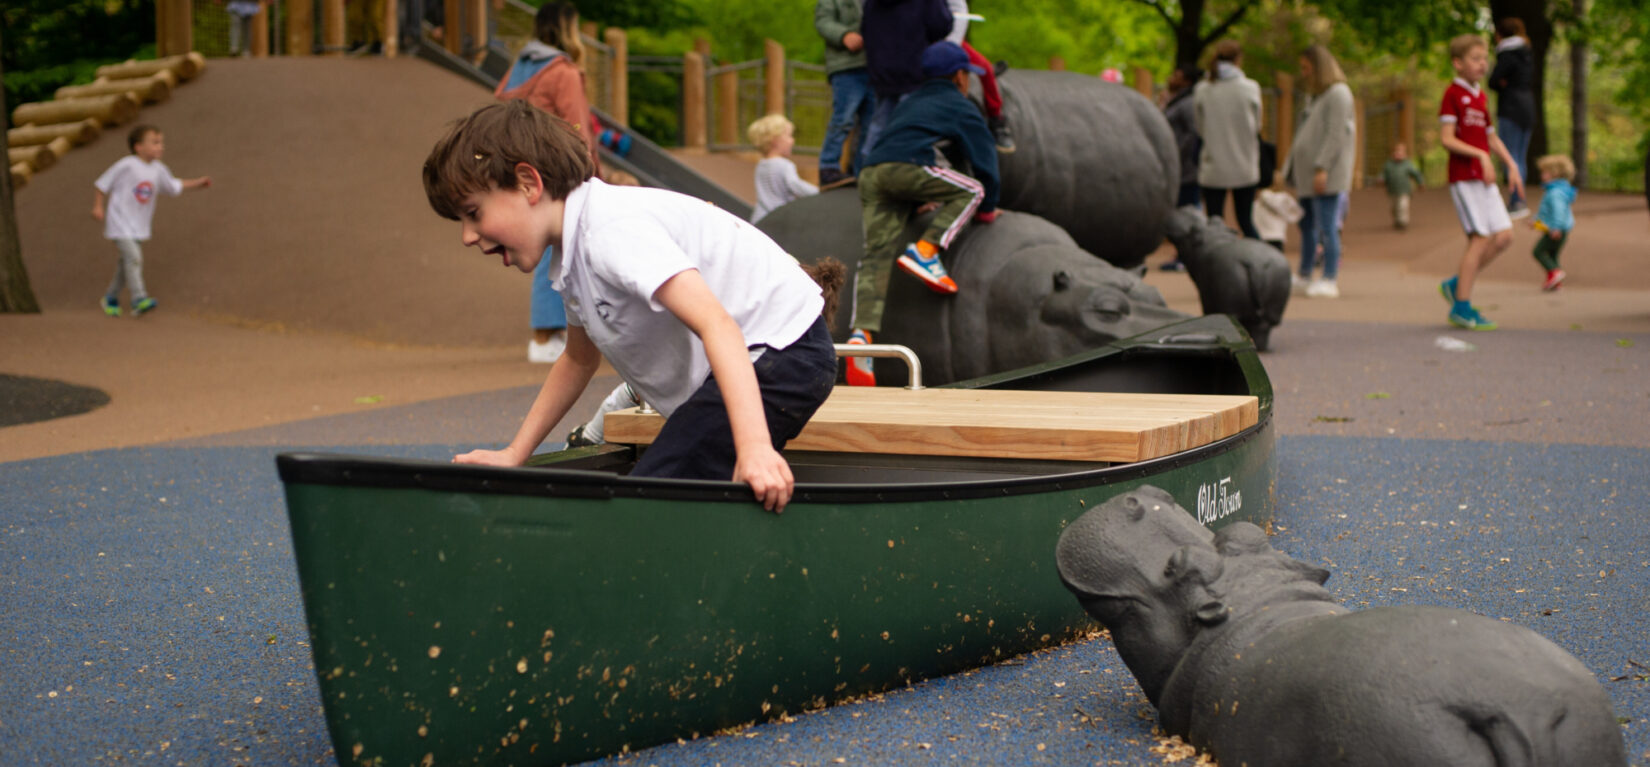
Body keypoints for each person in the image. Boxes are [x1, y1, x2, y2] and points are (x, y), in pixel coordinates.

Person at [423, 100, 834, 512]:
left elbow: (717, 323)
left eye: (474, 214)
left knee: (647, 501)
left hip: (782, 350)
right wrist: (515, 453)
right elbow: (577, 361)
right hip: (761, 355)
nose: (468, 236)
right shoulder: (572, 252)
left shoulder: (609, 232)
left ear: (528, 183)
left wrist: (754, 447)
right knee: (674, 483)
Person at [846, 41, 1000, 387]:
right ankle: (926, 251)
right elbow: (985, 161)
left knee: (876, 256)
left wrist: (916, 201)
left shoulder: (909, 101)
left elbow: (897, 144)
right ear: (960, 76)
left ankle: (861, 340)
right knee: (973, 189)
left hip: (872, 174)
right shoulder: (958, 105)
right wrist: (988, 209)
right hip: (907, 168)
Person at [495, 2, 598, 364]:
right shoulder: (561, 71)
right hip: (559, 172)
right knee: (560, 249)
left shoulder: (520, 67)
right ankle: (551, 335)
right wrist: (591, 173)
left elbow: (499, 109)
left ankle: (545, 334)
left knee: (540, 248)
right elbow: (577, 129)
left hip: (521, 172)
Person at [1437, 33, 1524, 331]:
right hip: (1464, 178)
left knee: (1504, 236)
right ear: (1458, 63)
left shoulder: (1480, 96)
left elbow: (1490, 136)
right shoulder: (1453, 94)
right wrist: (1481, 156)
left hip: (1483, 179)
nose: (1482, 64)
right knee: (1481, 238)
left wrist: (1511, 164)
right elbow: (1447, 139)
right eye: (1475, 59)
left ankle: (1457, 284)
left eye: (1485, 58)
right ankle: (1461, 307)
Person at [92, 125, 211, 318]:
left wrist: (198, 183)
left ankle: (110, 298)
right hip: (119, 223)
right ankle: (139, 299)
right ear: (138, 147)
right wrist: (98, 206)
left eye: (161, 143)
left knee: (126, 263)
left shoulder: (159, 170)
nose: (160, 147)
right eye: (154, 143)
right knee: (134, 257)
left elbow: (173, 185)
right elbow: (101, 184)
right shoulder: (126, 165)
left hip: (137, 226)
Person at [1285, 44, 1356, 299]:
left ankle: (1329, 278)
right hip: (1308, 174)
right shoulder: (1317, 96)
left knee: (1327, 226)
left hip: (1325, 173)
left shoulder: (1339, 93)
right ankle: (1305, 274)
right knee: (1306, 226)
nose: (1304, 73)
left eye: (1307, 68)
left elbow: (1335, 134)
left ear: (1319, 68)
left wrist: (1322, 167)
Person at [858, 0, 953, 160]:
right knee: (910, 128)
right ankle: (904, 168)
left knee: (879, 125)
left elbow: (865, 29)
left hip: (882, 72)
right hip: (914, 71)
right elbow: (940, 25)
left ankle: (868, 169)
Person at [1193, 41, 1262, 241]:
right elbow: (1257, 126)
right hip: (1244, 165)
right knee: (1246, 222)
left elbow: (1199, 127)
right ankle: (1261, 265)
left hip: (1213, 165)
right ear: (1238, 60)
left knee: (1215, 225)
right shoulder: (1250, 88)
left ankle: (1215, 269)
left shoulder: (1203, 89)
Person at [814, 0, 874, 186]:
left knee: (870, 123)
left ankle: (862, 170)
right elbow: (823, 21)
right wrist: (844, 35)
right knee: (843, 119)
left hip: (875, 67)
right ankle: (828, 167)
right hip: (846, 66)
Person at [945, 0, 1014, 152]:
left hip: (949, 40)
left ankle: (996, 119)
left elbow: (959, 11)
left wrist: (951, 44)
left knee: (985, 68)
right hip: (919, 40)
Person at [1489, 17, 1535, 220]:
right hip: (1528, 106)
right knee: (1519, 157)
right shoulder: (1527, 52)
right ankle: (1519, 200)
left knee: (1510, 157)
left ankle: (1516, 201)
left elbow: (1492, 81)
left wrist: (1501, 84)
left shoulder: (1506, 54)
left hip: (1511, 108)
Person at [1160, 62, 1202, 271]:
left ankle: (1189, 255)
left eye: (1176, 73)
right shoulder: (1177, 100)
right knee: (1183, 209)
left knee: (1188, 210)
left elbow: (1192, 133)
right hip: (1178, 167)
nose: (1171, 77)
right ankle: (1183, 255)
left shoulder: (1187, 103)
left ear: (1186, 80)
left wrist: (1176, 155)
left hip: (1186, 168)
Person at [748, 114, 819, 222]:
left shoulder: (761, 165)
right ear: (775, 140)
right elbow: (795, 185)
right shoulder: (784, 165)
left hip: (760, 217)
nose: (792, 141)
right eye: (789, 136)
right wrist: (819, 192)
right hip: (777, 218)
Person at [1529, 154, 1576, 291]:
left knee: (1538, 252)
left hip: (1555, 229)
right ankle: (1555, 281)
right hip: (1558, 228)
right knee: (1553, 254)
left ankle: (1555, 273)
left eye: (1544, 172)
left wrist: (1556, 228)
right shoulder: (1559, 190)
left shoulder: (1554, 193)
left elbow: (1557, 212)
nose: (1541, 175)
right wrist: (1535, 221)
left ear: (1554, 174)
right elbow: (1546, 212)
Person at [1253, 173, 1303, 253]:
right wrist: (1288, 217)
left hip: (1261, 236)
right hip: (1278, 237)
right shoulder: (1286, 199)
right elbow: (1297, 213)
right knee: (1277, 263)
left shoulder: (1258, 201)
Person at [1381, 142, 1425, 229]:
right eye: (1396, 151)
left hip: (1405, 190)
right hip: (1392, 190)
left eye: (1401, 152)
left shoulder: (1408, 164)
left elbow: (1416, 174)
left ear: (1405, 154)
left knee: (1403, 206)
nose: (1398, 154)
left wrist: (1420, 182)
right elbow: (1383, 174)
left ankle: (1403, 221)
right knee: (1394, 208)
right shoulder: (1388, 165)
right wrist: (1381, 179)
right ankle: (1397, 220)